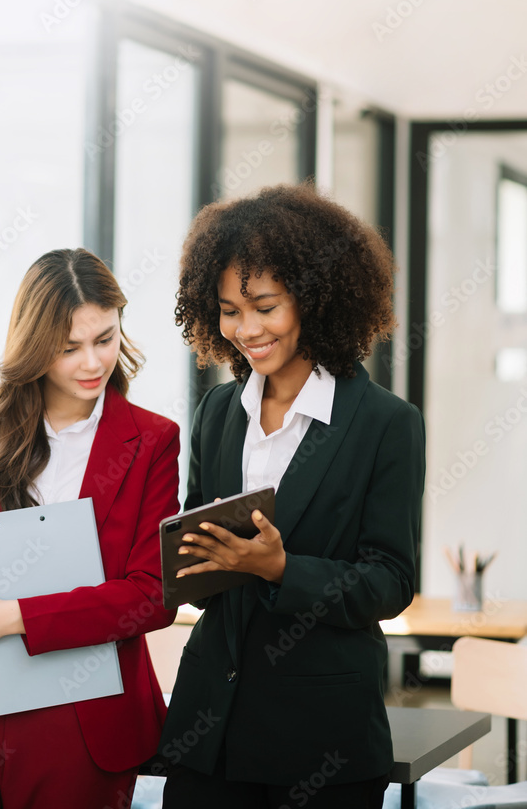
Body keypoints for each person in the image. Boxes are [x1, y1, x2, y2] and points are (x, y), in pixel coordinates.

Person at [159, 182, 426, 809]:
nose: (245, 329)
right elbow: (199, 545)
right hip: (210, 732)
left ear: (314, 299)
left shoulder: (385, 423)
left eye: (265, 306)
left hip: (320, 740)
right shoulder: (219, 411)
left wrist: (281, 569)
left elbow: (389, 583)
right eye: (228, 310)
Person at [0, 248, 180, 809]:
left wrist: (14, 618)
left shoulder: (154, 440)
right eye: (68, 347)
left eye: (105, 338)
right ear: (34, 345)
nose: (92, 363)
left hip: (85, 729)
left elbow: (151, 596)